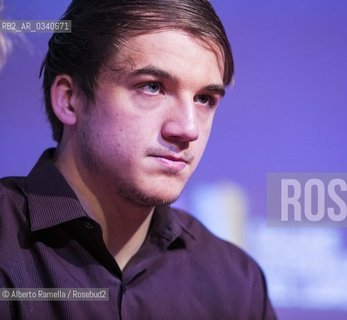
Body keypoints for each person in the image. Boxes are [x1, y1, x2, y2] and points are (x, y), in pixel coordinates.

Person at [0, 0, 276, 319]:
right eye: (152, 87)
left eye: (204, 99)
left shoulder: (235, 282)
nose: (187, 129)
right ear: (69, 99)